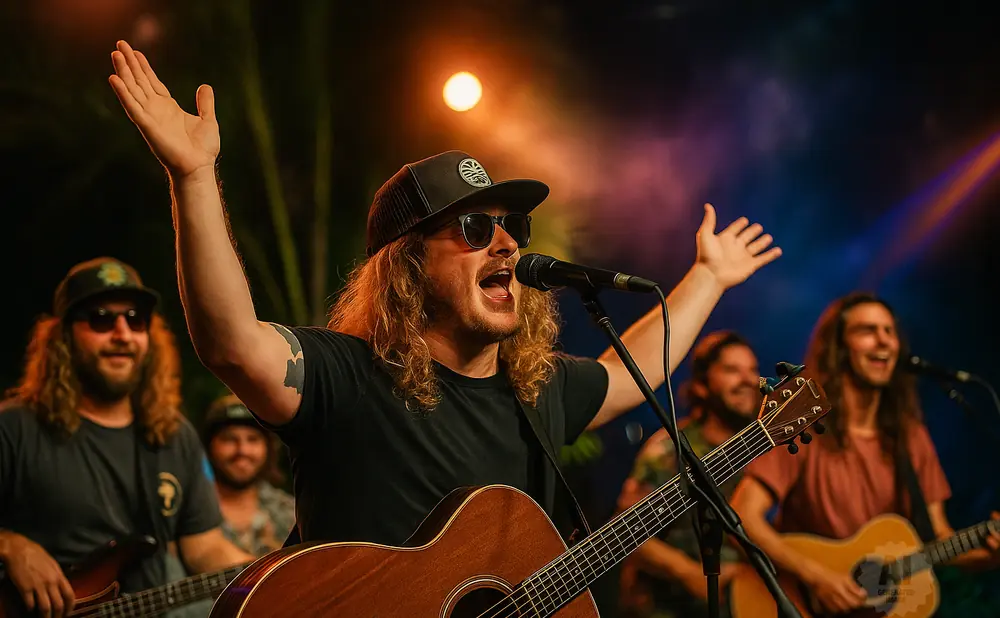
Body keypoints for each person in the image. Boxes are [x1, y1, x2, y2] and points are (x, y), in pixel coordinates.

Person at [108, 40, 781, 553]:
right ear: (406, 269)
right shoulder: (348, 379)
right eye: (473, 227)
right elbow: (230, 341)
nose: (508, 246)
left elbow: (633, 370)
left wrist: (710, 277)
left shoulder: (534, 392)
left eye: (511, 227)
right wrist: (194, 177)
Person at [0, 257, 254, 618]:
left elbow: (203, 547)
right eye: (102, 318)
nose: (122, 334)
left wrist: (270, 570)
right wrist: (10, 546)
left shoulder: (173, 435)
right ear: (63, 337)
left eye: (135, 320)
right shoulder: (15, 428)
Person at [730, 291, 1000, 615]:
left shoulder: (910, 436)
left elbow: (939, 538)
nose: (884, 341)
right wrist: (816, 576)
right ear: (839, 349)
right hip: (797, 601)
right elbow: (742, 517)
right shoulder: (803, 424)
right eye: (867, 331)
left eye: (889, 332)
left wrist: (986, 553)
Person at [617, 331, 760, 618]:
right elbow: (626, 534)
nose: (747, 380)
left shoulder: (763, 448)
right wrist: (691, 574)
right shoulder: (672, 449)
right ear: (703, 385)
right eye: (732, 370)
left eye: (753, 370)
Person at [202, 394, 295, 557]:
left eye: (253, 439)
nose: (242, 450)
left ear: (268, 448)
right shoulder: (191, 511)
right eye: (229, 439)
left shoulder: (292, 514)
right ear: (209, 446)